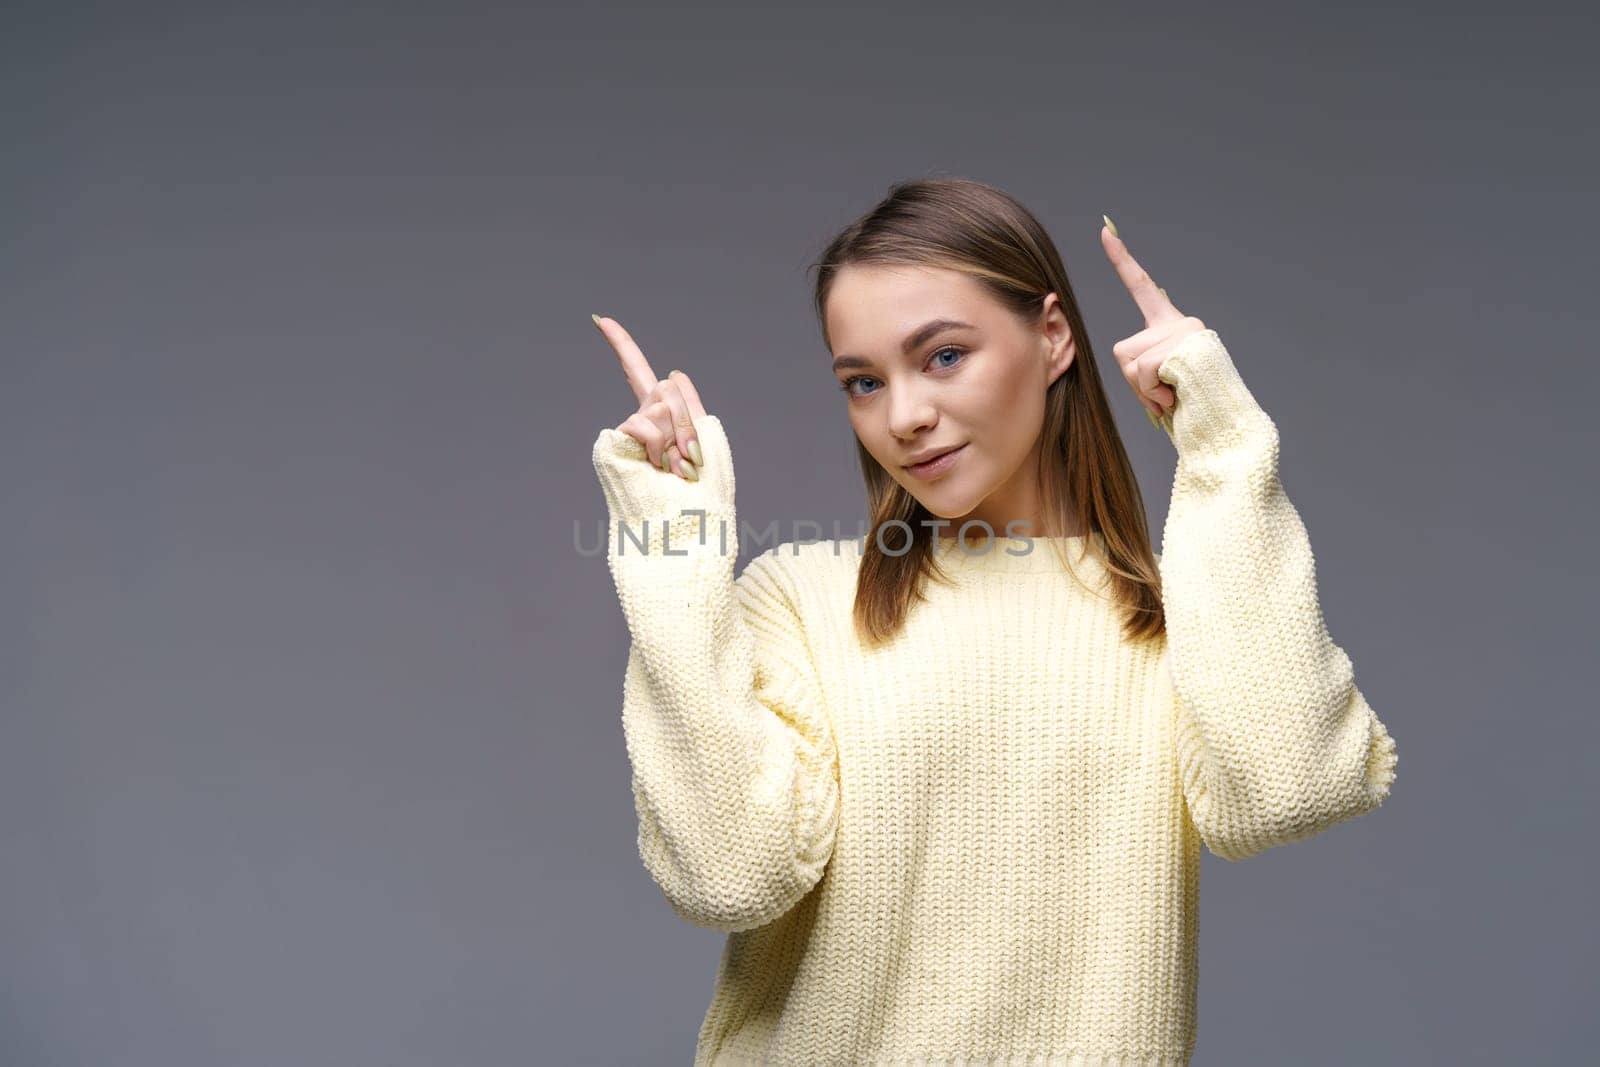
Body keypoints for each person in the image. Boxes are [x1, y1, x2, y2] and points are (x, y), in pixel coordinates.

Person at [588, 177, 1399, 1066]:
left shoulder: (1180, 615)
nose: (904, 417)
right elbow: (730, 874)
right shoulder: (800, 598)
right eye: (864, 381)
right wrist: (673, 548)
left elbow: (1289, 792)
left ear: (1052, 336)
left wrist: (1224, 449)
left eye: (942, 356)